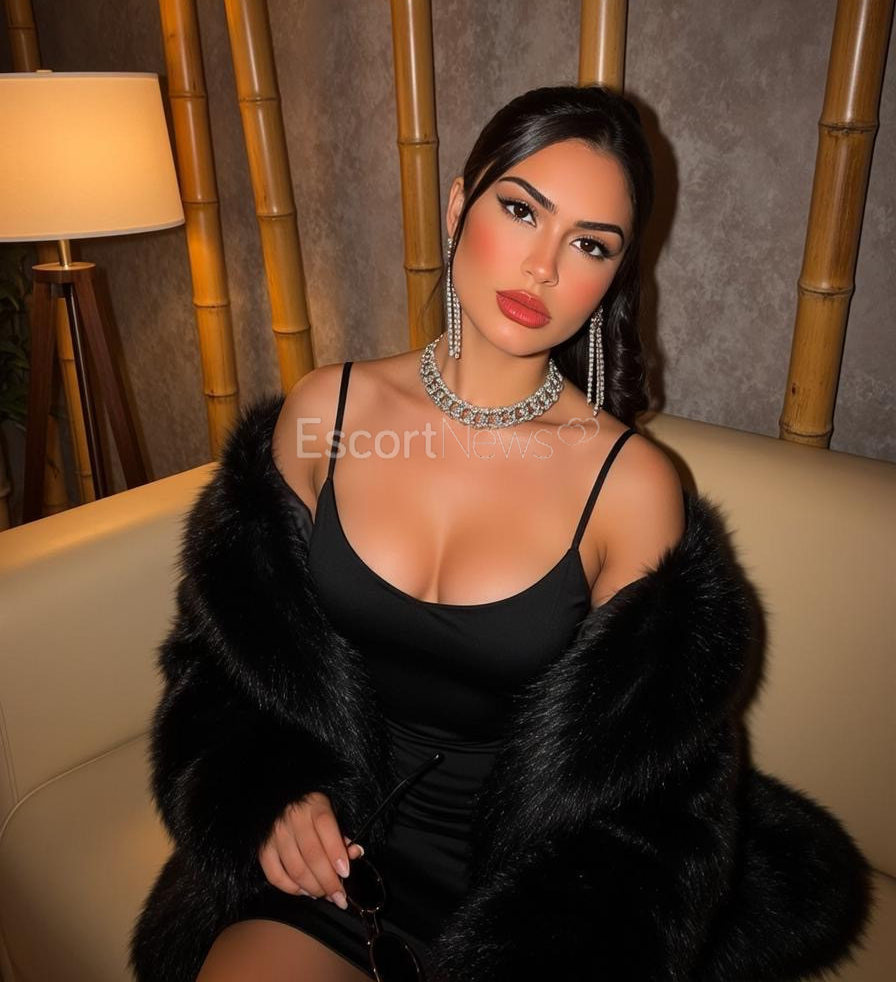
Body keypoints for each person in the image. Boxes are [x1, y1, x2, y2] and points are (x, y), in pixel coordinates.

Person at [130, 85, 872, 982]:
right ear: (458, 207)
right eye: (522, 211)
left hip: (529, 911)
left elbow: (659, 796)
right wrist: (269, 797)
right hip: (324, 871)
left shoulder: (630, 488)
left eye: (590, 244)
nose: (544, 268)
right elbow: (220, 664)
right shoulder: (327, 409)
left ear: (615, 275)